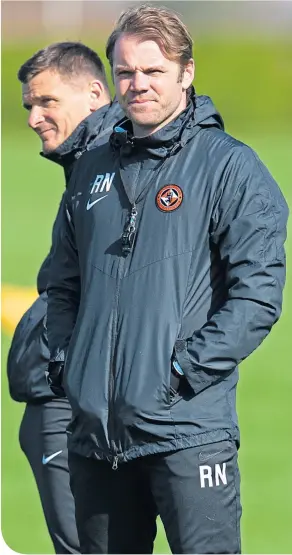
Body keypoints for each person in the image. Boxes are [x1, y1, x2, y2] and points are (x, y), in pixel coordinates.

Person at [46, 5, 289, 555]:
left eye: (154, 71)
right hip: (96, 442)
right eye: (126, 72)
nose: (138, 85)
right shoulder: (91, 169)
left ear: (187, 71)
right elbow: (62, 285)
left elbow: (258, 295)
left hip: (187, 432)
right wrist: (68, 365)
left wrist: (181, 372)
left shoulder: (230, 167)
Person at [7, 41, 123, 554]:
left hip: (74, 395)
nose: (33, 117)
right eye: (29, 105)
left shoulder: (114, 164)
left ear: (95, 93)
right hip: (65, 387)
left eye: (47, 102)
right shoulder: (86, 167)